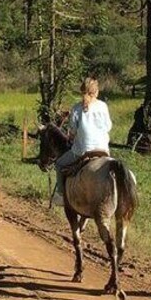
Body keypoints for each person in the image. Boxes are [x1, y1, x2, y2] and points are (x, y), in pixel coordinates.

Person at [51, 77, 112, 207]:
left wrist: (73, 138)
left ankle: (61, 194)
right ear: (96, 92)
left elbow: (72, 132)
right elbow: (108, 127)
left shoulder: (76, 109)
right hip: (103, 150)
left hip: (82, 151)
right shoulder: (103, 106)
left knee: (60, 164)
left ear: (81, 91)